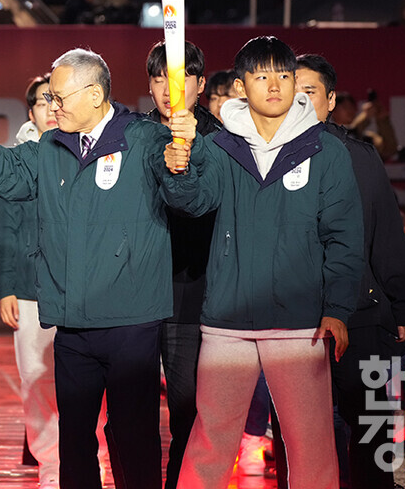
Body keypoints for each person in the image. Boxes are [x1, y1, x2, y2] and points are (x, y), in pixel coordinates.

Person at [0, 48, 196, 489]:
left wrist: (185, 163)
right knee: (75, 443)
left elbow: (189, 199)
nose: (53, 106)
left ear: (95, 94)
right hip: (72, 325)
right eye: (50, 98)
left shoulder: (143, 139)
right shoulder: (50, 146)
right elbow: (5, 175)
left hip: (131, 322)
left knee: (133, 436)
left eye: (60, 97)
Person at [168, 36, 363, 489]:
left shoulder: (325, 151)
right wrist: (180, 167)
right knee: (210, 442)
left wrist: (336, 309)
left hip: (299, 324)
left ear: (296, 82)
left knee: (310, 445)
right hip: (227, 322)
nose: (274, 85)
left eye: (283, 75)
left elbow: (344, 238)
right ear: (240, 87)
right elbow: (192, 203)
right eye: (261, 76)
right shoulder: (219, 147)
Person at [294, 53, 405, 489]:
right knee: (305, 442)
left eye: (310, 91)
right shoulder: (265, 160)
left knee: (372, 437)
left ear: (331, 99)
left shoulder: (359, 157)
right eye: (291, 90)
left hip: (362, 319)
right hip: (295, 325)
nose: (299, 100)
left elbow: (386, 235)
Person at [145, 41, 223, 487]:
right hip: (136, 288)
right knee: (128, 410)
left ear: (199, 83)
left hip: (190, 289)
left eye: (176, 79)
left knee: (186, 406)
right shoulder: (135, 135)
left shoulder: (221, 140)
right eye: (158, 79)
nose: (167, 89)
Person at [0, 73, 62, 488]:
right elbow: (2, 229)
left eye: (57, 99)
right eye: (42, 101)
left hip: (81, 293)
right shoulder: (16, 158)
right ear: (30, 110)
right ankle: (50, 467)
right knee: (36, 381)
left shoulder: (88, 153)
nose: (51, 107)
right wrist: (5, 286)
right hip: (30, 293)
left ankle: (93, 458)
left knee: (88, 381)